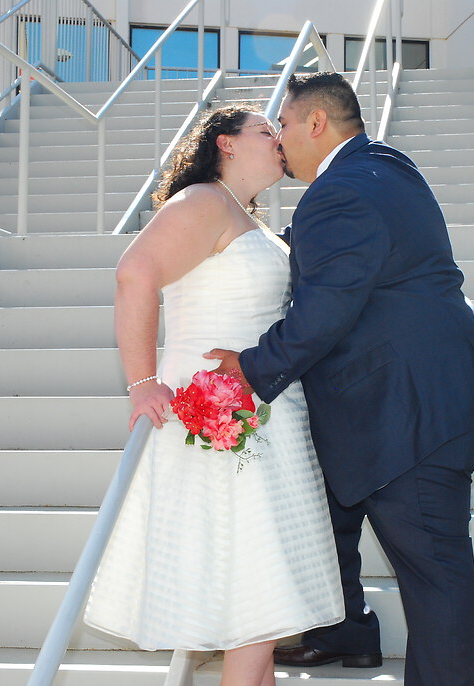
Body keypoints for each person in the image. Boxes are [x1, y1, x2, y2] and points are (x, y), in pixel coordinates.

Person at [205, 72, 474, 686]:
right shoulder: (385, 166)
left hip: (408, 408)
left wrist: (252, 365)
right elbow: (339, 260)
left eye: (284, 124)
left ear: (317, 123)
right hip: (413, 395)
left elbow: (326, 308)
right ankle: (344, 627)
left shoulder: (338, 192)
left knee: (435, 569)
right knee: (331, 510)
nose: (280, 139)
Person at [83, 104, 345, 686]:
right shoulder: (203, 201)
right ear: (226, 143)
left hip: (266, 411)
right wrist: (142, 382)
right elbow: (134, 273)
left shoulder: (244, 215)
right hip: (218, 414)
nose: (278, 140)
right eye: (265, 131)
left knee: (260, 596)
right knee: (255, 588)